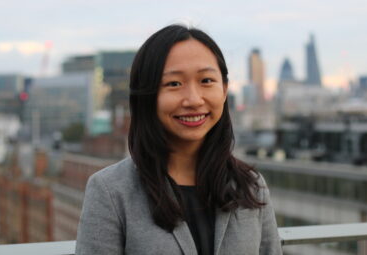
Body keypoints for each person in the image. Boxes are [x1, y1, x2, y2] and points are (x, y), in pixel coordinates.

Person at [75, 24, 282, 255]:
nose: (193, 99)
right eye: (174, 84)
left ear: (224, 90)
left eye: (206, 81)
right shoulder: (110, 191)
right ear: (147, 96)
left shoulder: (251, 186)